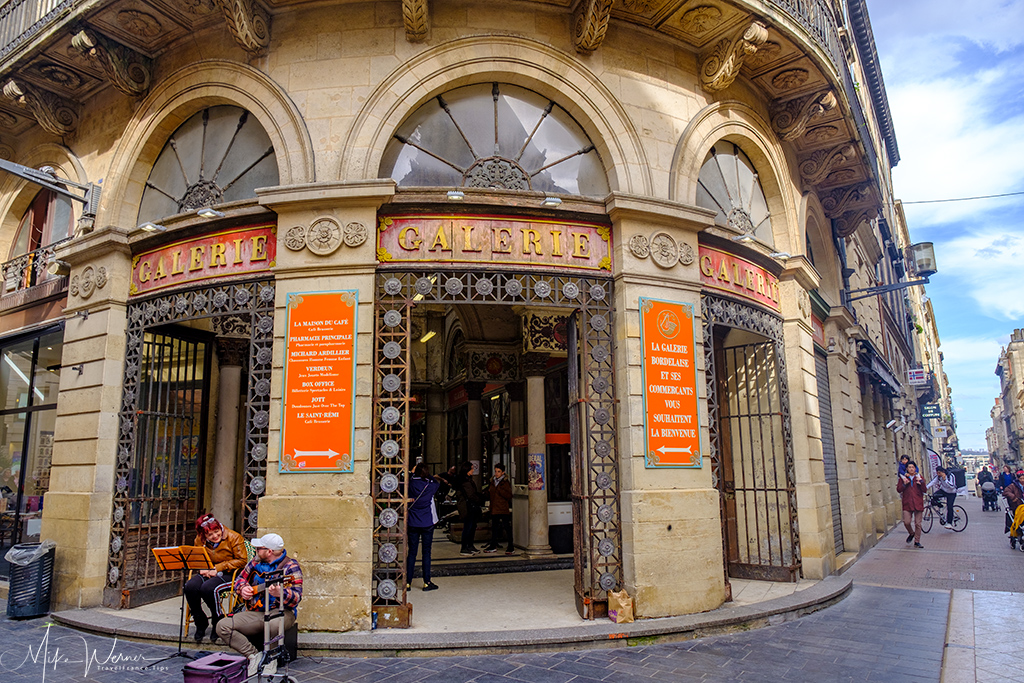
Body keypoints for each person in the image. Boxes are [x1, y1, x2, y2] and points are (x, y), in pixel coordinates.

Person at [215, 533, 303, 678]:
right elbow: (239, 580)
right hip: (257, 611)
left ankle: (271, 659)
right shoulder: (255, 562)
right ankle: (254, 656)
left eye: (258, 548)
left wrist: (281, 593)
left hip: (282, 612)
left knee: (273, 625)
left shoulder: (291, 567)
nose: (255, 551)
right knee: (222, 626)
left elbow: (297, 597)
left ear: (269, 551)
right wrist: (243, 589)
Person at [185, 513, 247, 643]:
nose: (215, 536)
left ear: (220, 527)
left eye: (216, 531)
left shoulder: (234, 537)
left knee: (208, 588)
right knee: (190, 587)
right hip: (208, 571)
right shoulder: (199, 540)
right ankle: (200, 620)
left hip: (230, 573)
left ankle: (217, 621)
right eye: (209, 534)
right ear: (203, 535)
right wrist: (201, 567)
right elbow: (197, 557)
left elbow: (242, 561)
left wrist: (218, 568)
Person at [407, 462, 440, 591]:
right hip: (427, 522)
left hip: (413, 522)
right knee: (426, 552)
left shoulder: (410, 484)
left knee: (412, 553)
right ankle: (427, 582)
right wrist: (428, 475)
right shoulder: (430, 485)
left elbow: (404, 480)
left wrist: (412, 473)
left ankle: (408, 582)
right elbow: (437, 483)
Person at [484, 463, 515, 555]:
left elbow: (509, 495)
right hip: (494, 508)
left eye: (499, 472)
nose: (497, 473)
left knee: (506, 527)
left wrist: (499, 490)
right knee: (494, 527)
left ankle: (510, 546)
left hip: (502, 508)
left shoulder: (505, 483)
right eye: (496, 471)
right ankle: (493, 545)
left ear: (503, 472)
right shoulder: (493, 482)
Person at [455, 461, 483, 556]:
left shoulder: (467, 480)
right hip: (468, 507)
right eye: (471, 468)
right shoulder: (465, 481)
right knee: (468, 527)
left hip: (469, 507)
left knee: (471, 526)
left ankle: (470, 545)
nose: (473, 470)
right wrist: (480, 499)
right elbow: (471, 495)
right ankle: (465, 547)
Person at [897, 461, 926, 548]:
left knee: (918, 524)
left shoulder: (919, 477)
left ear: (915, 468)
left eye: (913, 467)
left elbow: (924, 490)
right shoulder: (903, 478)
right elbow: (898, 489)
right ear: (906, 469)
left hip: (918, 503)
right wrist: (904, 484)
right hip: (907, 503)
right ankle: (911, 533)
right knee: (906, 522)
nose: (911, 469)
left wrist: (921, 483)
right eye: (909, 467)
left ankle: (917, 541)